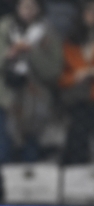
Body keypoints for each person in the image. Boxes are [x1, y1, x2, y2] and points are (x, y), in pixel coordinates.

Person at [0, 0, 63, 163]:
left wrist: (33, 53)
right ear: (17, 8)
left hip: (34, 101)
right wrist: (7, 55)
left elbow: (54, 71)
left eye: (33, 7)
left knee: (30, 154)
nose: (28, 11)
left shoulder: (49, 33)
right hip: (5, 97)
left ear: (40, 9)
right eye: (24, 6)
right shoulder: (3, 29)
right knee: (1, 152)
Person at [59, 0, 94, 164]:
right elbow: (62, 76)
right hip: (78, 94)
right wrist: (77, 76)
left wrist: (90, 72)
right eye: (90, 12)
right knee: (80, 119)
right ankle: (76, 162)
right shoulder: (71, 42)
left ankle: (74, 160)